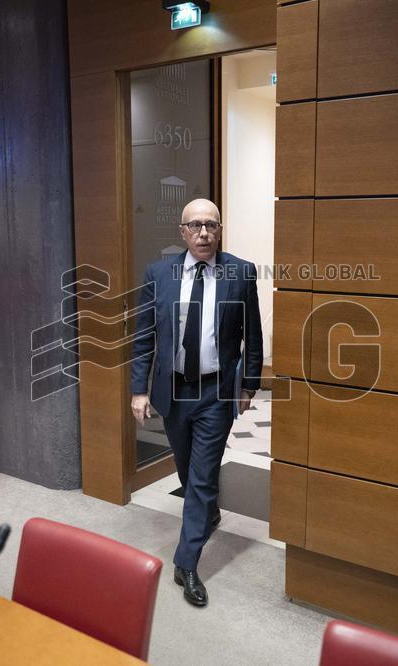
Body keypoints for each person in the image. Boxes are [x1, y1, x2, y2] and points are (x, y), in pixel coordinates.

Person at [130, 198, 263, 607]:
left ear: (220, 230)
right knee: (186, 466)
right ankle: (206, 511)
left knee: (203, 475)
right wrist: (139, 389)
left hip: (214, 392)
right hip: (174, 390)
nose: (203, 233)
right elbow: (144, 337)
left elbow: (252, 336)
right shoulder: (159, 274)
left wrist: (249, 385)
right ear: (182, 232)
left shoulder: (240, 272)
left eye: (211, 225)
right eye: (195, 226)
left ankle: (186, 561)